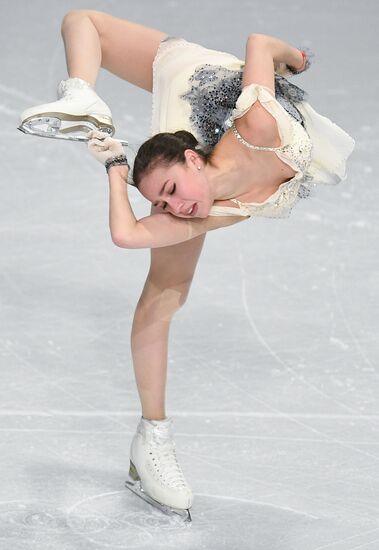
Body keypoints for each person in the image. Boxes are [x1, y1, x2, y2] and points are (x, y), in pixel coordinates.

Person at [19, 10, 354, 520]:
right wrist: (114, 166)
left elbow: (260, 41)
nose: (174, 209)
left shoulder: (257, 121)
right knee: (165, 291)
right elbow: (127, 233)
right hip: (184, 149)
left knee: (100, 25)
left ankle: (88, 99)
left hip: (204, 87)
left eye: (171, 195)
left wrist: (294, 58)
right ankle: (153, 438)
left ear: (193, 161)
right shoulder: (199, 209)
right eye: (162, 205)